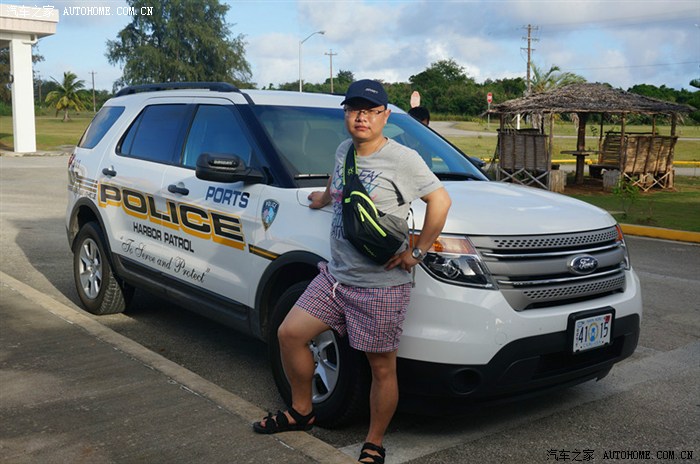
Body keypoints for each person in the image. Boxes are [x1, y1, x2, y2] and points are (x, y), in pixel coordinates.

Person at [253, 79, 451, 464]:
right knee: (290, 334)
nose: (361, 117)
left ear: (385, 116)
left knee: (381, 368)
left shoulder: (403, 159)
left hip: (380, 285)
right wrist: (322, 198)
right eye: (354, 109)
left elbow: (440, 201)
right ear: (346, 114)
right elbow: (339, 183)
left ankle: (374, 443)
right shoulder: (345, 149)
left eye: (370, 111)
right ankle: (302, 411)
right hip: (336, 278)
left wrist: (417, 252)